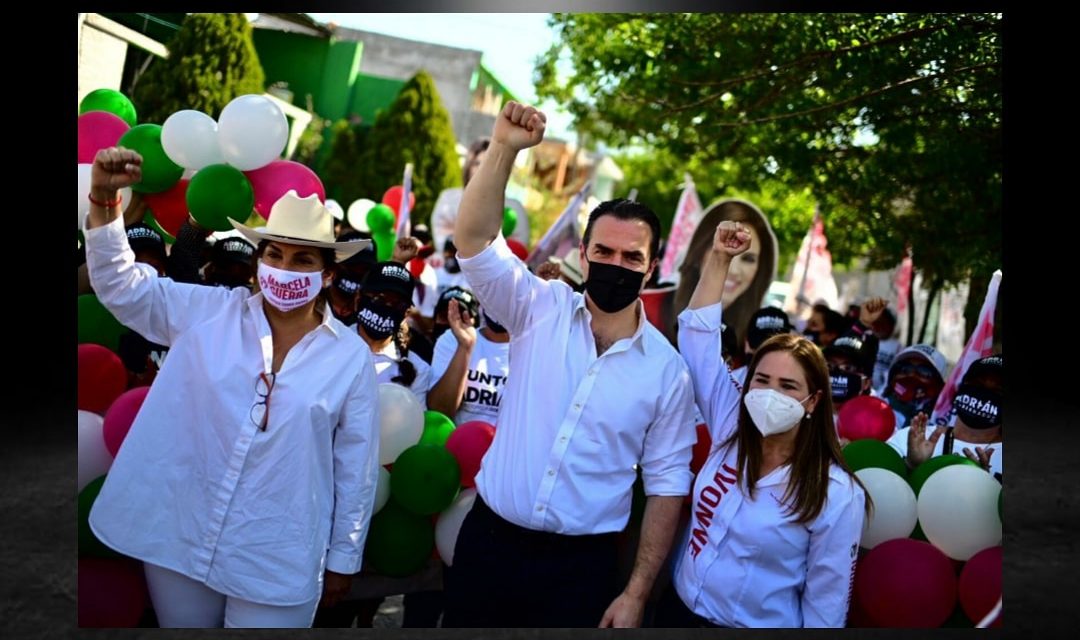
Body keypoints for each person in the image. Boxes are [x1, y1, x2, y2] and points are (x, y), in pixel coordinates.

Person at [83, 147, 381, 629]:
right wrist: (103, 200)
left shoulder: (349, 358)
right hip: (182, 532)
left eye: (302, 259)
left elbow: (356, 468)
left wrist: (343, 560)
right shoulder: (207, 313)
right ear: (260, 259)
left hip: (275, 556)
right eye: (274, 254)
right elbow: (121, 286)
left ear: (327, 275)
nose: (284, 268)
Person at [443, 101, 699, 628]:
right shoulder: (537, 308)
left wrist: (636, 593)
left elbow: (668, 486)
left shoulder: (667, 373)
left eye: (632, 258)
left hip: (581, 571)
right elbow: (472, 240)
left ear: (652, 269)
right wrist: (504, 148)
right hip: (489, 546)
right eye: (604, 252)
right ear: (584, 254)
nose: (616, 265)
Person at [663, 220, 868, 628]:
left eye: (788, 386)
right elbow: (697, 339)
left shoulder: (836, 493)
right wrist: (720, 258)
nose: (770, 393)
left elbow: (826, 605)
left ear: (813, 401)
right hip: (676, 611)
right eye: (762, 380)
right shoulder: (729, 425)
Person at [673, 198, 778, 350]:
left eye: (748, 259)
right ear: (698, 252)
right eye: (722, 254)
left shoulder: (757, 340)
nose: (733, 270)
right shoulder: (648, 309)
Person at [886, 355, 1003, 479]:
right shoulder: (911, 440)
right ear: (961, 387)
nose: (984, 394)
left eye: (999, 391)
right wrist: (910, 466)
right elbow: (875, 490)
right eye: (977, 384)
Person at [428, 296, 511, 426]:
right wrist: (465, 347)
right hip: (458, 444)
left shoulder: (536, 348)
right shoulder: (452, 340)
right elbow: (440, 412)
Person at [881, 343, 949, 429]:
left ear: (938, 384)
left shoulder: (940, 424)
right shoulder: (878, 406)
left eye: (924, 371)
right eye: (905, 368)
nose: (912, 374)